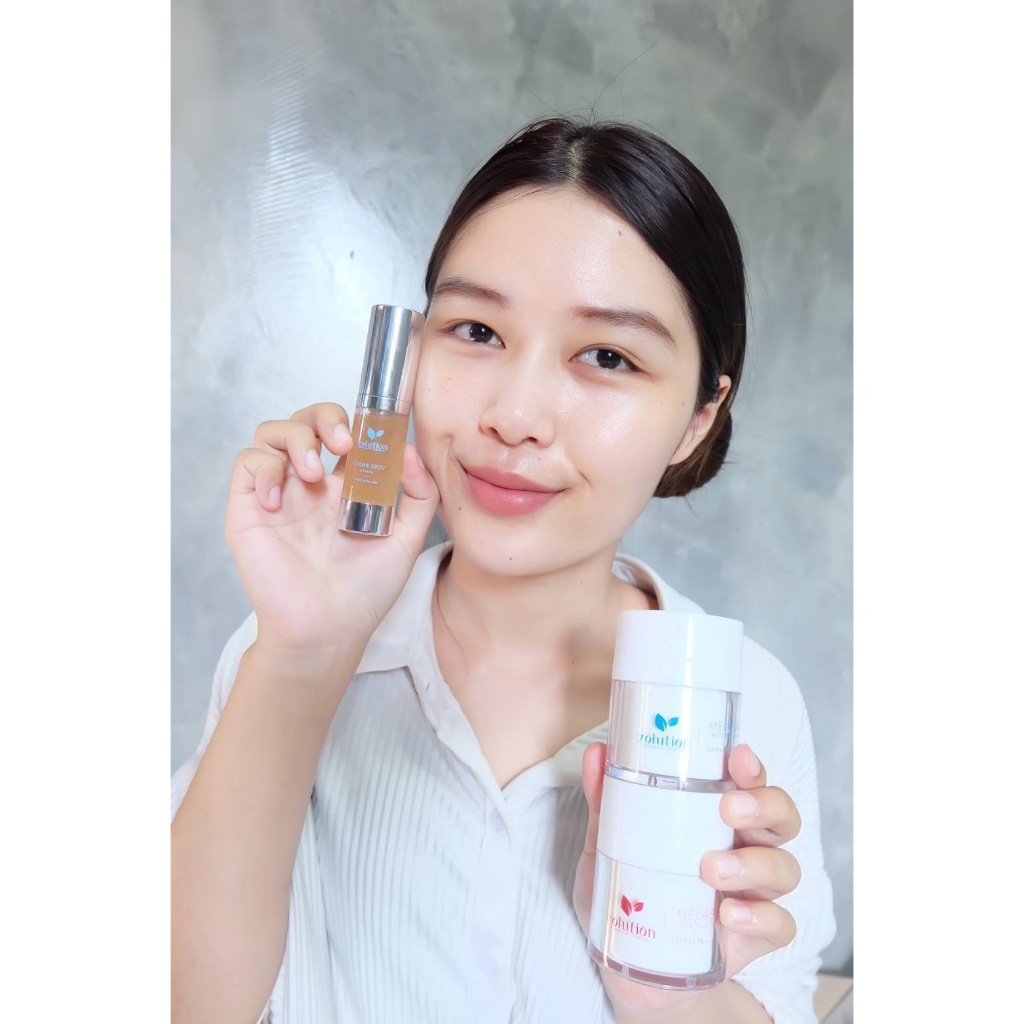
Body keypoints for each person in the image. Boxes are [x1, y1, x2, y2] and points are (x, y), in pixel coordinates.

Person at [171, 115, 836, 1024]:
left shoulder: (749, 704)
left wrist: (662, 982)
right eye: (477, 331)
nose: (514, 416)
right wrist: (302, 655)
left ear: (698, 417)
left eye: (608, 356)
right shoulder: (290, 644)